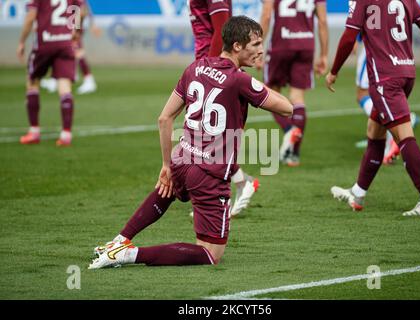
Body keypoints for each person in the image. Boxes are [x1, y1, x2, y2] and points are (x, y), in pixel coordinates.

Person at [89, 16, 293, 269]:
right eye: (256, 44)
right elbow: (287, 108)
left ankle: (118, 241)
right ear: (237, 46)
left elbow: (164, 119)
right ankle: (127, 254)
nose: (261, 50)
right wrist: (256, 86)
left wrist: (166, 164)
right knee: (210, 254)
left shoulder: (195, 68)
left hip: (181, 158)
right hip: (209, 173)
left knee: (167, 190)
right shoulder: (240, 80)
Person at [326, 0, 420, 216]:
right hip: (407, 73)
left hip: (385, 79)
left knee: (404, 136)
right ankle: (358, 192)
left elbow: (348, 37)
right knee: (374, 131)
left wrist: (334, 70)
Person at [188, 0, 258, 216]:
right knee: (207, 136)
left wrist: (210, 66)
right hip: (207, 65)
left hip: (211, 68)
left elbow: (221, 27)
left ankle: (217, 196)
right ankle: (241, 183)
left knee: (207, 134)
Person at [257, 0, 329, 166]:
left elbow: (266, 15)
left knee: (269, 92)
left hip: (281, 43)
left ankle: (290, 130)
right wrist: (324, 54)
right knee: (297, 97)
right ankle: (293, 155)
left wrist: (258, 47)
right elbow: (323, 21)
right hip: (306, 45)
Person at [17, 0, 85, 146]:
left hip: (45, 41)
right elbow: (79, 10)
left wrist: (22, 41)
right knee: (64, 85)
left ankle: (34, 131)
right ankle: (66, 134)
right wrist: (76, 30)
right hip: (65, 42)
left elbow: (31, 17)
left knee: (32, 81)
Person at [353, 35, 420, 164]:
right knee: (386, 95)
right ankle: (388, 143)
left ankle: (398, 123)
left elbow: (366, 17)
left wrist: (355, 38)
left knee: (363, 94)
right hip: (398, 53)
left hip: (375, 49)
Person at [40, 1, 99, 95]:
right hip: (64, 26)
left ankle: (89, 80)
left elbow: (83, 9)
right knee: (59, 51)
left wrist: (77, 28)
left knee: (77, 51)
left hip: (71, 26)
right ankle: (55, 79)